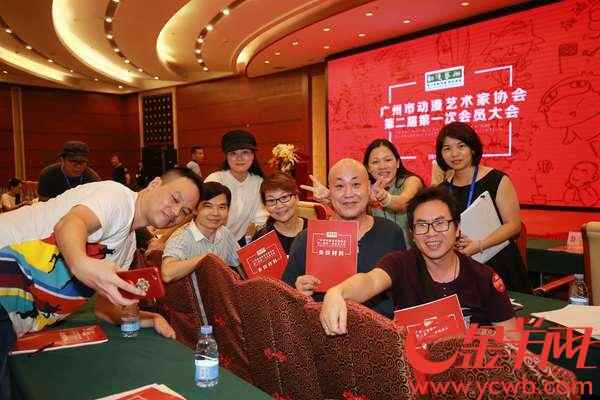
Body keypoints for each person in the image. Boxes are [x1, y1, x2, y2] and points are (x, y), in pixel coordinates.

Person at [0, 167, 203, 399]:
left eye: (184, 211)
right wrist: (80, 263)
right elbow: (70, 223)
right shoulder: (117, 198)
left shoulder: (126, 246)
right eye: (175, 198)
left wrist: (148, 318)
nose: (175, 212)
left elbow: (104, 308)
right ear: (155, 184)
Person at [319, 186, 517, 339]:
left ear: (457, 228)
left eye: (440, 223)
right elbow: (369, 281)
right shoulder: (400, 264)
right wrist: (337, 292)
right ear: (412, 234)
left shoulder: (484, 278)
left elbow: (511, 341)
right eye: (422, 225)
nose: (431, 233)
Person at [282, 158, 406, 318]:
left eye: (356, 184)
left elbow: (404, 292)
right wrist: (298, 293)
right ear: (329, 192)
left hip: (381, 329)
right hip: (324, 330)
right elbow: (284, 302)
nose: (348, 194)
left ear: (369, 188)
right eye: (339, 186)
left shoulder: (391, 232)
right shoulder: (307, 239)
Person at [436, 122, 532, 293]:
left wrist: (479, 245)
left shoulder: (497, 180)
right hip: (461, 268)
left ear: (473, 148)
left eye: (461, 146)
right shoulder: (442, 190)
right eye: (447, 148)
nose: (454, 154)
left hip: (499, 263)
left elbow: (513, 225)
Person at [161, 182, 240, 283]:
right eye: (208, 206)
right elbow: (167, 274)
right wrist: (205, 258)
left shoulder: (224, 232)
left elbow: (241, 262)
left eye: (222, 207)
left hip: (222, 291)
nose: (215, 213)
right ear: (195, 209)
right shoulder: (181, 237)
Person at [204, 130, 268, 245]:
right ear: (226, 156)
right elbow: (204, 218)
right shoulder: (215, 180)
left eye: (245, 152)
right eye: (233, 153)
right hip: (208, 242)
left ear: (253, 155)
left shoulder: (258, 182)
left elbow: (260, 218)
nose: (240, 158)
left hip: (237, 245)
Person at [363, 139, 423, 246]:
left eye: (388, 160)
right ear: (368, 168)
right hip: (380, 251)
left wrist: (384, 198)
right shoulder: (365, 190)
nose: (382, 166)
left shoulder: (412, 181)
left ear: (398, 163)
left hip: (410, 250)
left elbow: (404, 202)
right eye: (375, 162)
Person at [253, 172, 306, 254]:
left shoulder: (314, 230)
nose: (279, 206)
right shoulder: (260, 239)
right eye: (271, 200)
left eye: (284, 197)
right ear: (265, 206)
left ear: (296, 198)